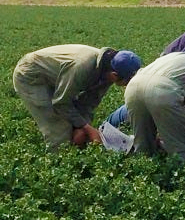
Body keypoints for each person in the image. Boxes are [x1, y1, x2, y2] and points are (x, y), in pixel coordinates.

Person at [13, 44, 141, 149]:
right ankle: (59, 164)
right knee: (59, 129)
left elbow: (88, 102)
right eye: (127, 82)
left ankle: (72, 149)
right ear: (114, 75)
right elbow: (61, 102)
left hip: (56, 78)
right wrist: (87, 128)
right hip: (31, 75)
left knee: (77, 132)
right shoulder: (83, 67)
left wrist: (81, 128)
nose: (127, 85)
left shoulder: (107, 71)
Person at [124, 50, 185, 166]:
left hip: (133, 87)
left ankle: (140, 175)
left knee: (144, 151)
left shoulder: (179, 56)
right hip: (163, 91)